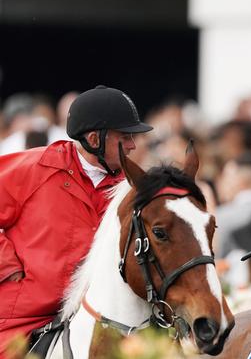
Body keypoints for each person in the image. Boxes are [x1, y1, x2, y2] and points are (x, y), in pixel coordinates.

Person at [0, 85, 152, 353]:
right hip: (24, 316)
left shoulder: (131, 187)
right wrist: (7, 266)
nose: (133, 145)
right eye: (125, 136)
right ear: (94, 139)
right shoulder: (33, 168)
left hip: (99, 317)